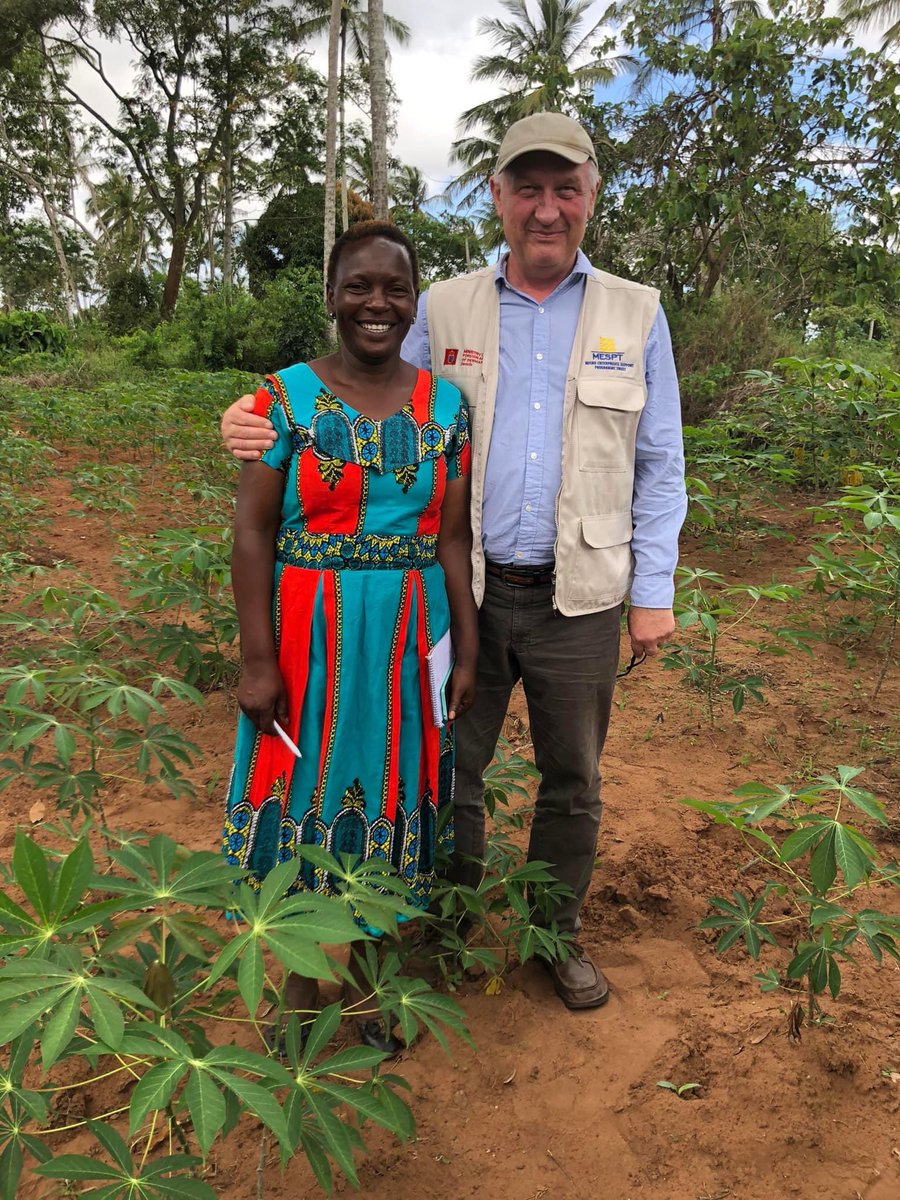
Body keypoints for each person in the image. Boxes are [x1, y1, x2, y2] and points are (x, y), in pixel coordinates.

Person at [222, 112, 687, 1012]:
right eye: (527, 189)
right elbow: (367, 390)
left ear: (591, 196)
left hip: (581, 596)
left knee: (573, 779)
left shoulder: (638, 313)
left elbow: (661, 461)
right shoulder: (443, 307)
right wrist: (248, 421)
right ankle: (441, 928)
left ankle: (556, 935)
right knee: (445, 770)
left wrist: (653, 594)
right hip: (456, 595)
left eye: (565, 189)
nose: (545, 209)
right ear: (498, 198)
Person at [222, 220, 478, 1053]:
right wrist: (259, 662)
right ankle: (299, 990)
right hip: (310, 634)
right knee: (305, 795)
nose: (378, 303)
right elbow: (253, 533)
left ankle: (372, 990)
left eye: (395, 288)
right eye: (360, 286)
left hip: (409, 636)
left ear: (415, 303)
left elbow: (450, 539)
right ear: (332, 296)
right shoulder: (283, 398)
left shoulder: (448, 406)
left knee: (396, 792)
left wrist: (466, 650)